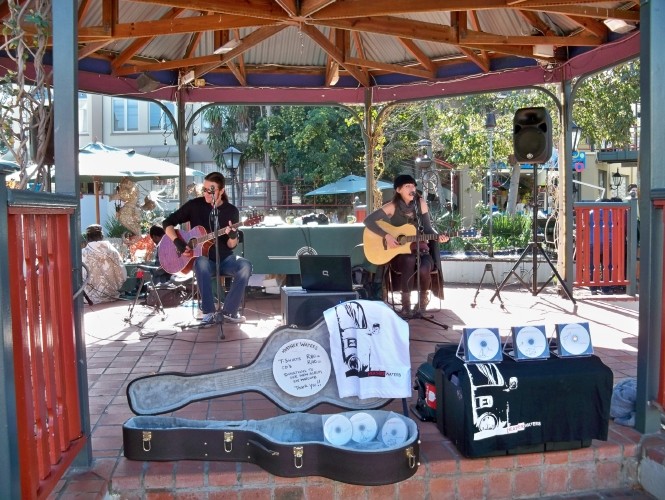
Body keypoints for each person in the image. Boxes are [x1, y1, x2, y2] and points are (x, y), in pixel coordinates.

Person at [162, 172, 252, 324]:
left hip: (226, 259)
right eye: (204, 189)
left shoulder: (231, 211)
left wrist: (232, 235)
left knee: (245, 266)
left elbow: (232, 245)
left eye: (211, 190)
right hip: (204, 262)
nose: (206, 193)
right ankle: (208, 312)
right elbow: (167, 223)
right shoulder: (194, 206)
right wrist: (178, 242)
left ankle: (229, 311)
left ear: (221, 191)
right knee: (201, 262)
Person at [363, 174, 449, 314]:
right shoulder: (392, 206)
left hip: (420, 249)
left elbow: (427, 229)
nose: (412, 188)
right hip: (400, 253)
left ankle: (422, 303)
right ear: (398, 190)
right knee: (408, 260)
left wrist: (438, 237)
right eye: (407, 186)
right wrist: (387, 236)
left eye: (413, 186)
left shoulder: (420, 203)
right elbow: (368, 221)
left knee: (425, 266)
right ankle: (406, 305)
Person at [81, 224, 128, 304]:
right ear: (102, 236)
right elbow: (123, 276)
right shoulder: (113, 251)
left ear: (87, 237)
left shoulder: (82, 253)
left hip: (90, 299)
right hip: (112, 296)